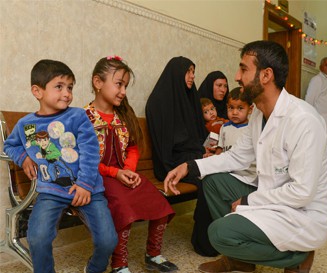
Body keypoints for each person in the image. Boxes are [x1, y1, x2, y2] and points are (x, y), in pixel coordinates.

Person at [164, 41, 327, 273]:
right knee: (213, 183)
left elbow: (302, 192)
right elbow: (235, 157)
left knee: (218, 233)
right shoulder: (258, 116)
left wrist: (248, 202)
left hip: (301, 214)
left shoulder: (303, 120)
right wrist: (189, 166)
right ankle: (241, 259)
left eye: (243, 69)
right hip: (270, 198)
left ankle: (297, 256)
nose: (237, 76)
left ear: (266, 75)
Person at [4, 59, 118, 273]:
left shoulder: (77, 116)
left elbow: (91, 151)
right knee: (37, 238)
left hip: (88, 189)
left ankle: (94, 268)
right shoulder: (28, 125)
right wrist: (24, 158)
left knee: (108, 241)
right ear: (37, 91)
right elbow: (10, 145)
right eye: (59, 86)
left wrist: (85, 184)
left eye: (70, 87)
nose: (67, 93)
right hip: (51, 191)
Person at [84, 56, 178, 273]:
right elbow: (84, 159)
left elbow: (133, 147)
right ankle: (119, 264)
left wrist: (128, 169)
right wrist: (115, 173)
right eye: (119, 84)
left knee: (159, 203)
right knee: (123, 208)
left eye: (125, 85)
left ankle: (153, 254)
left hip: (125, 173)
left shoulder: (123, 115)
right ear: (98, 82)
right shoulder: (83, 118)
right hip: (100, 177)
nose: (123, 91)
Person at [146, 56, 218, 257]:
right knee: (210, 181)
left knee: (223, 175)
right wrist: (198, 154)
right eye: (188, 71)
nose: (192, 76)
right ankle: (204, 242)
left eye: (194, 72)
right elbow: (169, 146)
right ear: (176, 73)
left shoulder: (190, 99)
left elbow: (200, 135)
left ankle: (222, 235)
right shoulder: (159, 102)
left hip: (194, 156)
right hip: (172, 161)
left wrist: (208, 149)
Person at [305, 57, 327, 190]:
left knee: (326, 155)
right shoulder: (317, 80)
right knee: (318, 155)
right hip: (320, 125)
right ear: (321, 67)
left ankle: (324, 182)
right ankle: (316, 183)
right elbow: (309, 102)